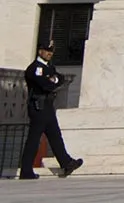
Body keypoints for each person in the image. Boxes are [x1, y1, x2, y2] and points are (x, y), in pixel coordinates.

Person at [16, 43, 83, 179]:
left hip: (48, 106)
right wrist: (52, 80)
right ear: (40, 51)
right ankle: (26, 170)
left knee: (55, 136)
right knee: (34, 140)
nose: (49, 54)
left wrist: (53, 80)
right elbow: (45, 85)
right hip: (38, 106)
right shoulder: (34, 68)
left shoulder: (49, 67)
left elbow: (60, 79)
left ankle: (66, 163)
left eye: (51, 51)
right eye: (46, 51)